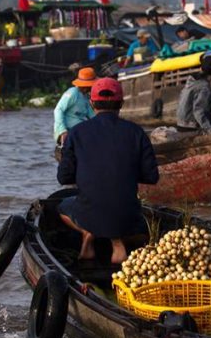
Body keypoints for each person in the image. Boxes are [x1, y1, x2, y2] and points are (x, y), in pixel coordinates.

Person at [57, 77, 159, 264]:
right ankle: (117, 242)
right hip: (128, 215)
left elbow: (64, 177)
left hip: (87, 213)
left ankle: (87, 232)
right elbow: (152, 176)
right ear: (121, 103)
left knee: (62, 207)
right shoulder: (136, 132)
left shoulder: (76, 133)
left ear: (92, 103)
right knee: (140, 224)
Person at [175, 52, 211, 134]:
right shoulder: (204, 88)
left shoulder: (191, 81)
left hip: (181, 125)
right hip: (192, 128)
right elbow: (198, 112)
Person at [52, 66, 96, 158]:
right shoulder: (73, 93)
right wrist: (63, 131)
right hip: (68, 132)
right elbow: (58, 110)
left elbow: (93, 117)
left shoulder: (86, 98)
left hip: (79, 133)